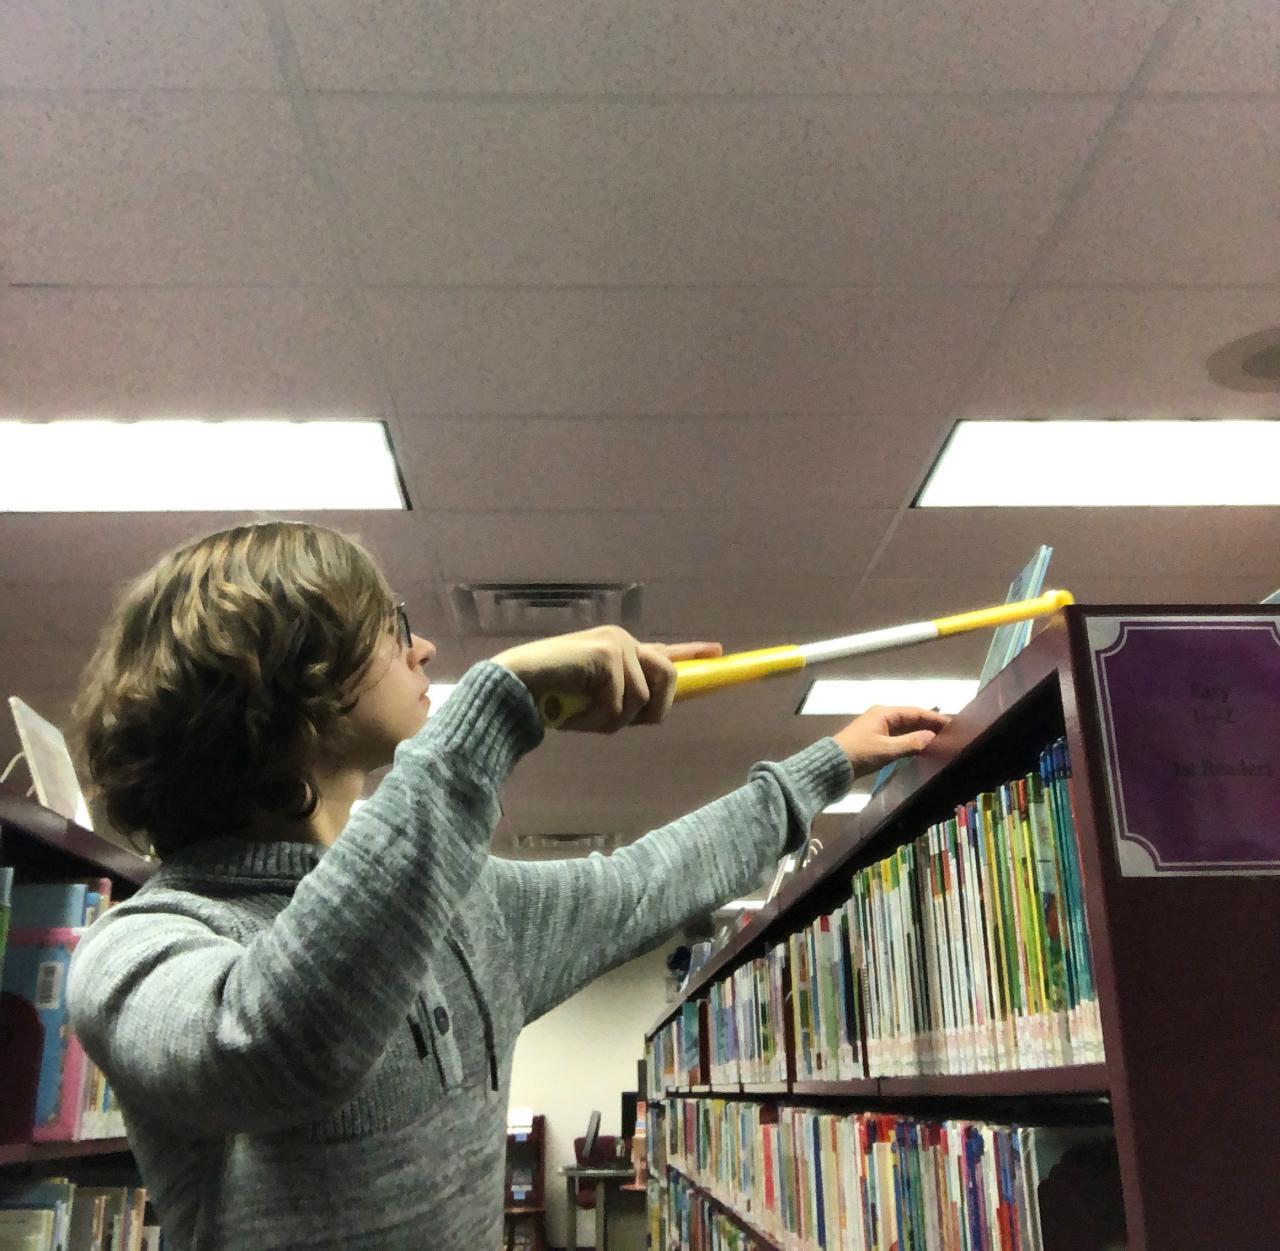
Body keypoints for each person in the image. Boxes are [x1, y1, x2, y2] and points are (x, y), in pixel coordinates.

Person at [67, 521, 947, 1250]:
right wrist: (489, 709)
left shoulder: (466, 909)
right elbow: (276, 1042)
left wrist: (822, 767)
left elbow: (641, 883)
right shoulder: (137, 946)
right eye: (391, 625)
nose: (422, 647)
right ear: (294, 677)